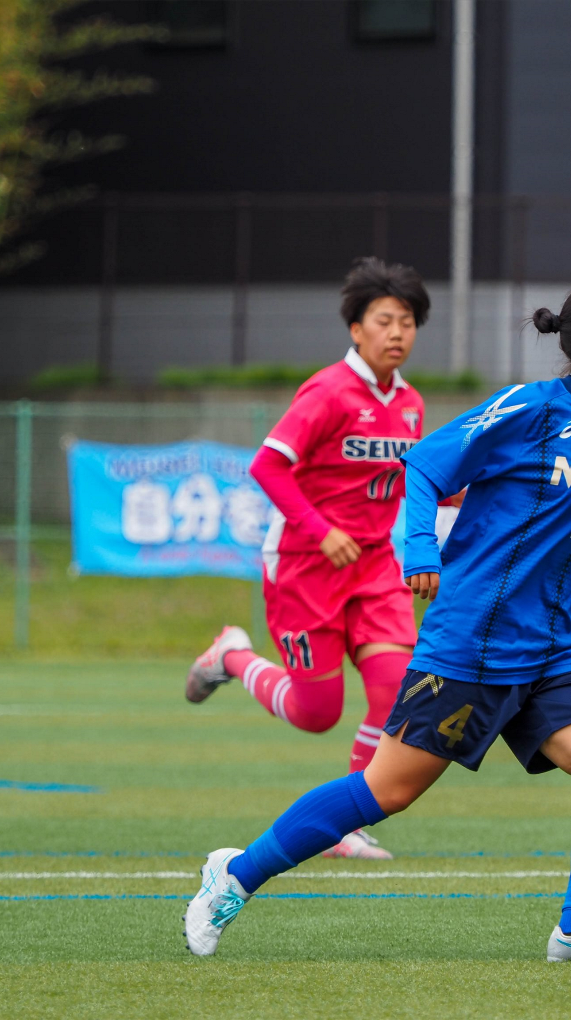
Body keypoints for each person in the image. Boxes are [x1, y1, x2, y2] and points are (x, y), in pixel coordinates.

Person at [182, 274, 571, 961]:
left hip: (559, 654)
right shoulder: (530, 410)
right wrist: (419, 549)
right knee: (386, 791)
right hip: (474, 644)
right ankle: (233, 876)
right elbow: (424, 466)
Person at [183, 258, 433, 860]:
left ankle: (343, 824)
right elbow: (268, 465)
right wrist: (320, 529)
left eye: (407, 322)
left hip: (373, 566)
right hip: (304, 564)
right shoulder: (327, 391)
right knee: (317, 712)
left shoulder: (411, 404)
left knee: (394, 690)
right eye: (384, 320)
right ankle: (233, 656)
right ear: (356, 328)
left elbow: (419, 479)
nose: (397, 333)